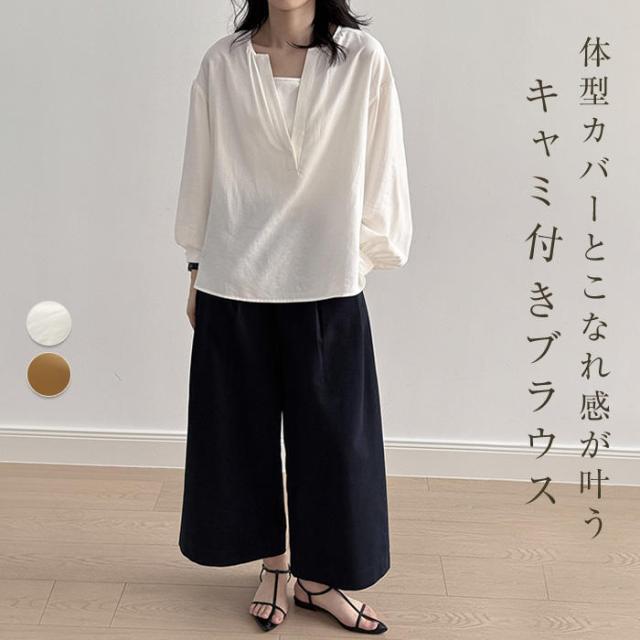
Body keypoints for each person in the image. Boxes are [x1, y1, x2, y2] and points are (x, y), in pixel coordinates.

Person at [174, 0, 412, 634]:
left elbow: (383, 163)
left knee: (334, 443)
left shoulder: (361, 60)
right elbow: (202, 167)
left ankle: (320, 579)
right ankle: (275, 566)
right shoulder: (223, 64)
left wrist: (361, 255)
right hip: (234, 279)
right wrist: (196, 267)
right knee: (241, 438)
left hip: (327, 280)